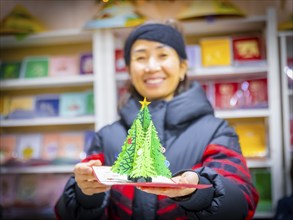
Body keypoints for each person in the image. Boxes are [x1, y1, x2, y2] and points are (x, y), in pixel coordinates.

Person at [55, 21, 259, 220]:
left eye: (162, 55)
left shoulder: (217, 132)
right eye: (141, 57)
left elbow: (242, 202)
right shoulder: (106, 136)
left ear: (182, 67)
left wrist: (198, 192)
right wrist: (86, 194)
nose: (151, 67)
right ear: (129, 70)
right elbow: (67, 213)